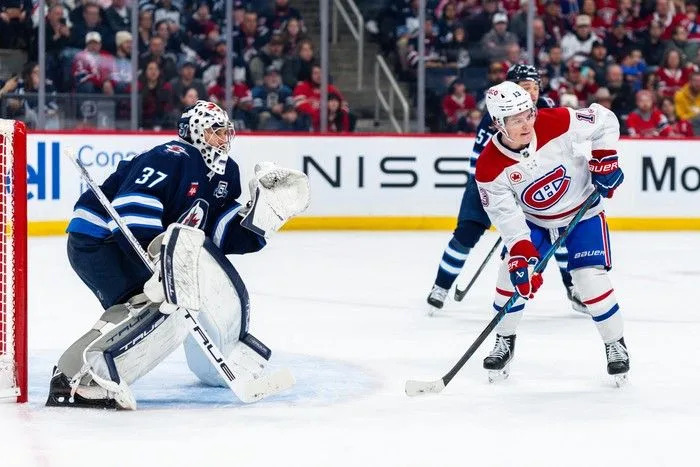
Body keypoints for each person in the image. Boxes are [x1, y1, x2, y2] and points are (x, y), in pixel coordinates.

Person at [45, 100, 309, 409]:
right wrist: (154, 259)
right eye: (215, 132)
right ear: (194, 133)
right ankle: (73, 380)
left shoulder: (225, 173)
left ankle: (92, 374)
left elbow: (220, 232)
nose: (223, 140)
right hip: (99, 241)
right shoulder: (171, 158)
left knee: (166, 306)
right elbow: (132, 209)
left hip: (139, 247)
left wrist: (261, 220)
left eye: (226, 133)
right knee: (145, 307)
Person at [475, 81, 628, 384]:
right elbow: (508, 218)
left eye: (528, 114)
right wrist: (521, 256)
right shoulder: (489, 167)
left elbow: (605, 120)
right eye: (515, 120)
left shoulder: (555, 121)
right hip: (535, 221)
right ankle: (504, 339)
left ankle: (615, 344)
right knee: (510, 274)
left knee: (588, 279)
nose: (526, 124)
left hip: (583, 210)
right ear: (497, 123)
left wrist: (605, 159)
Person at [426, 64, 585, 315]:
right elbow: (480, 163)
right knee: (466, 233)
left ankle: (574, 288)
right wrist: (505, 195)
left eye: (534, 87)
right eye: (525, 88)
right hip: (489, 183)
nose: (531, 93)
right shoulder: (497, 115)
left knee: (557, 227)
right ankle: (440, 286)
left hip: (532, 183)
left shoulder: (545, 108)